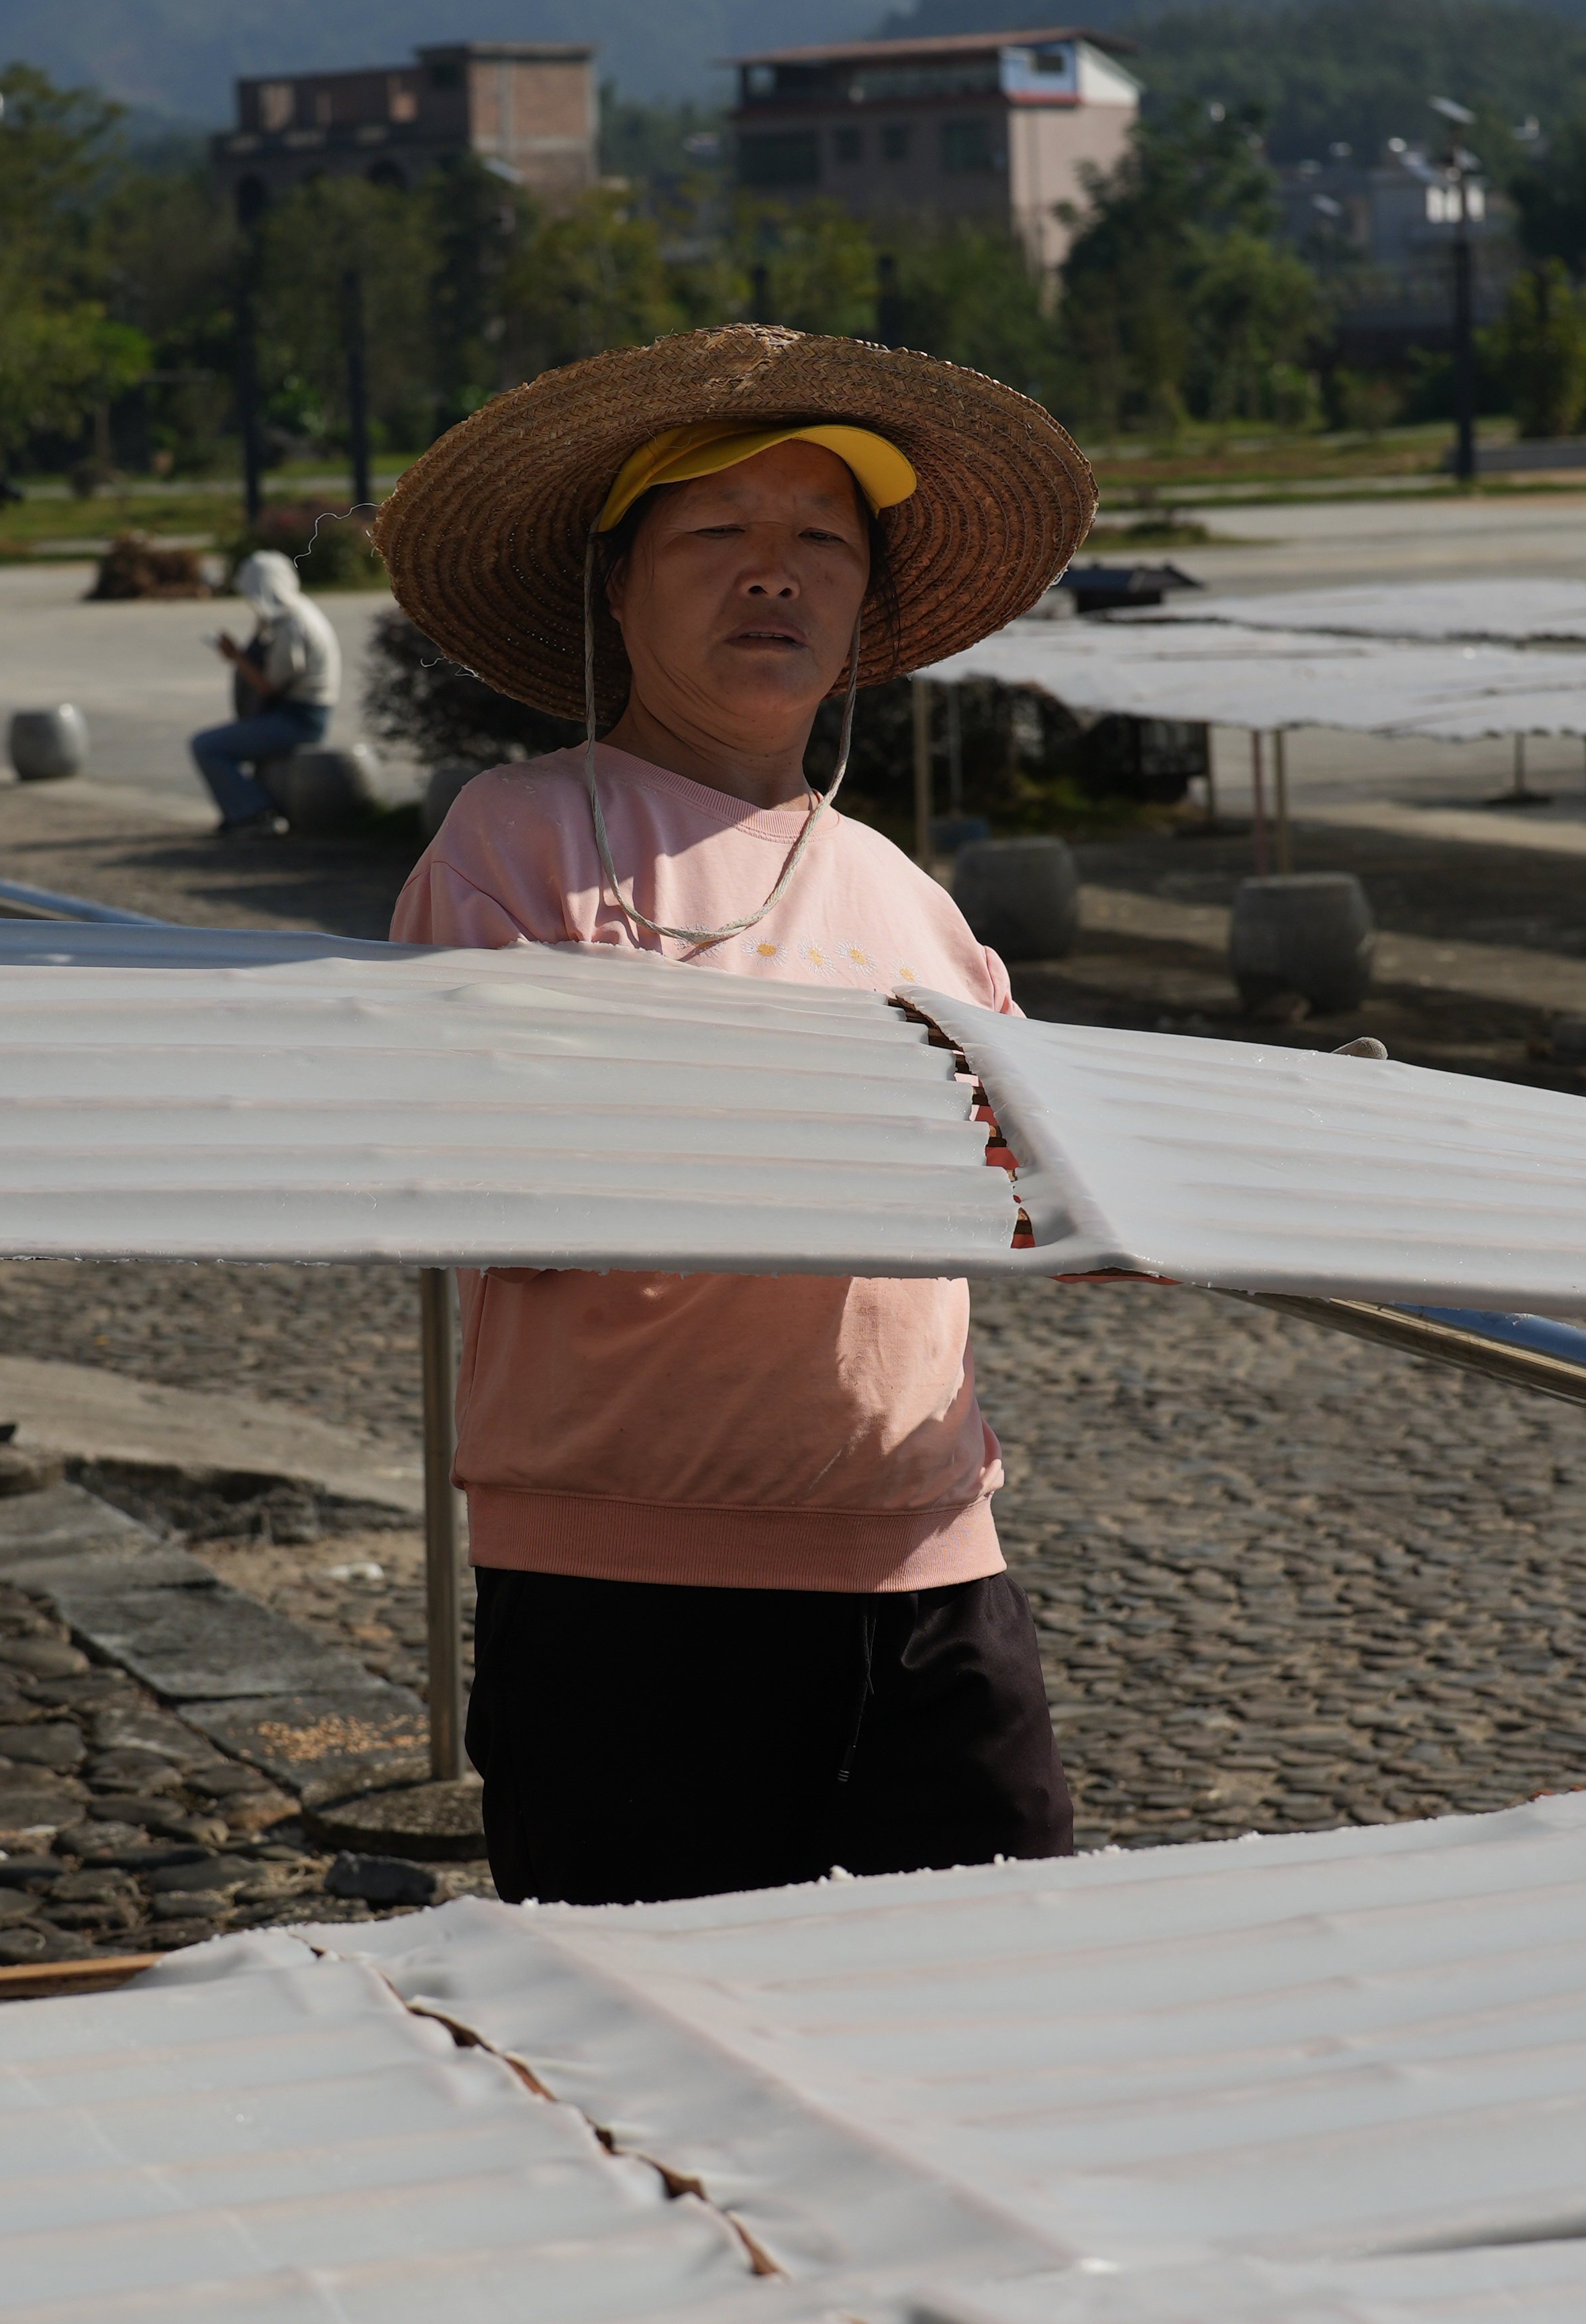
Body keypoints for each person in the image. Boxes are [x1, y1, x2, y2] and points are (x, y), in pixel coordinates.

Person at [375, 319, 1095, 1909]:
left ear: (862, 603)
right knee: (670, 2067)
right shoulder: (520, 846)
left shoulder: (909, 899)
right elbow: (491, 1181)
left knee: (1008, 2012)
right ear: (615, 588)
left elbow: (1034, 1188)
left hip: (929, 1561)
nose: (774, 571)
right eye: (717, 532)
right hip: (624, 1583)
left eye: (820, 543)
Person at [193, 550, 342, 832]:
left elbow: (270, 686)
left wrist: (236, 656)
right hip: (295, 714)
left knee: (206, 746)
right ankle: (248, 810)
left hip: (299, 721)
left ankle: (255, 813)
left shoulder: (291, 626)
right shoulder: (296, 612)